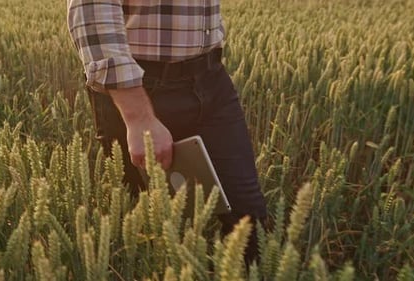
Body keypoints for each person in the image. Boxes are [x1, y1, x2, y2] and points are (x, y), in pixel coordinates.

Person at [67, 0, 267, 265]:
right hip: (140, 85)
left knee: (250, 220)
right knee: (142, 222)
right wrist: (138, 117)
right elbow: (92, 10)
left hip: (211, 77)